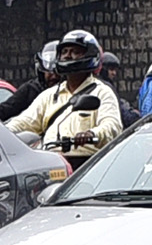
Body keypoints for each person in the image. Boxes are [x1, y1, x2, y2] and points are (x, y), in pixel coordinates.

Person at [8, 30, 123, 166]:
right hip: (51, 162)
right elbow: (26, 121)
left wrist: (91, 134)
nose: (68, 56)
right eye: (64, 52)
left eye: (75, 51)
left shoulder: (102, 92)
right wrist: (1, 132)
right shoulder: (50, 95)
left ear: (90, 55)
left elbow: (112, 125)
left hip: (87, 163)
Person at [0, 41, 61, 122]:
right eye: (49, 72)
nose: (54, 76)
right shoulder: (30, 90)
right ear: (41, 71)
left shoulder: (74, 94)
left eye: (58, 72)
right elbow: (5, 110)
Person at [99, 52, 143, 127]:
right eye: (111, 69)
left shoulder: (107, 86)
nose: (114, 73)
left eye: (115, 70)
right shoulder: (104, 88)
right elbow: (124, 113)